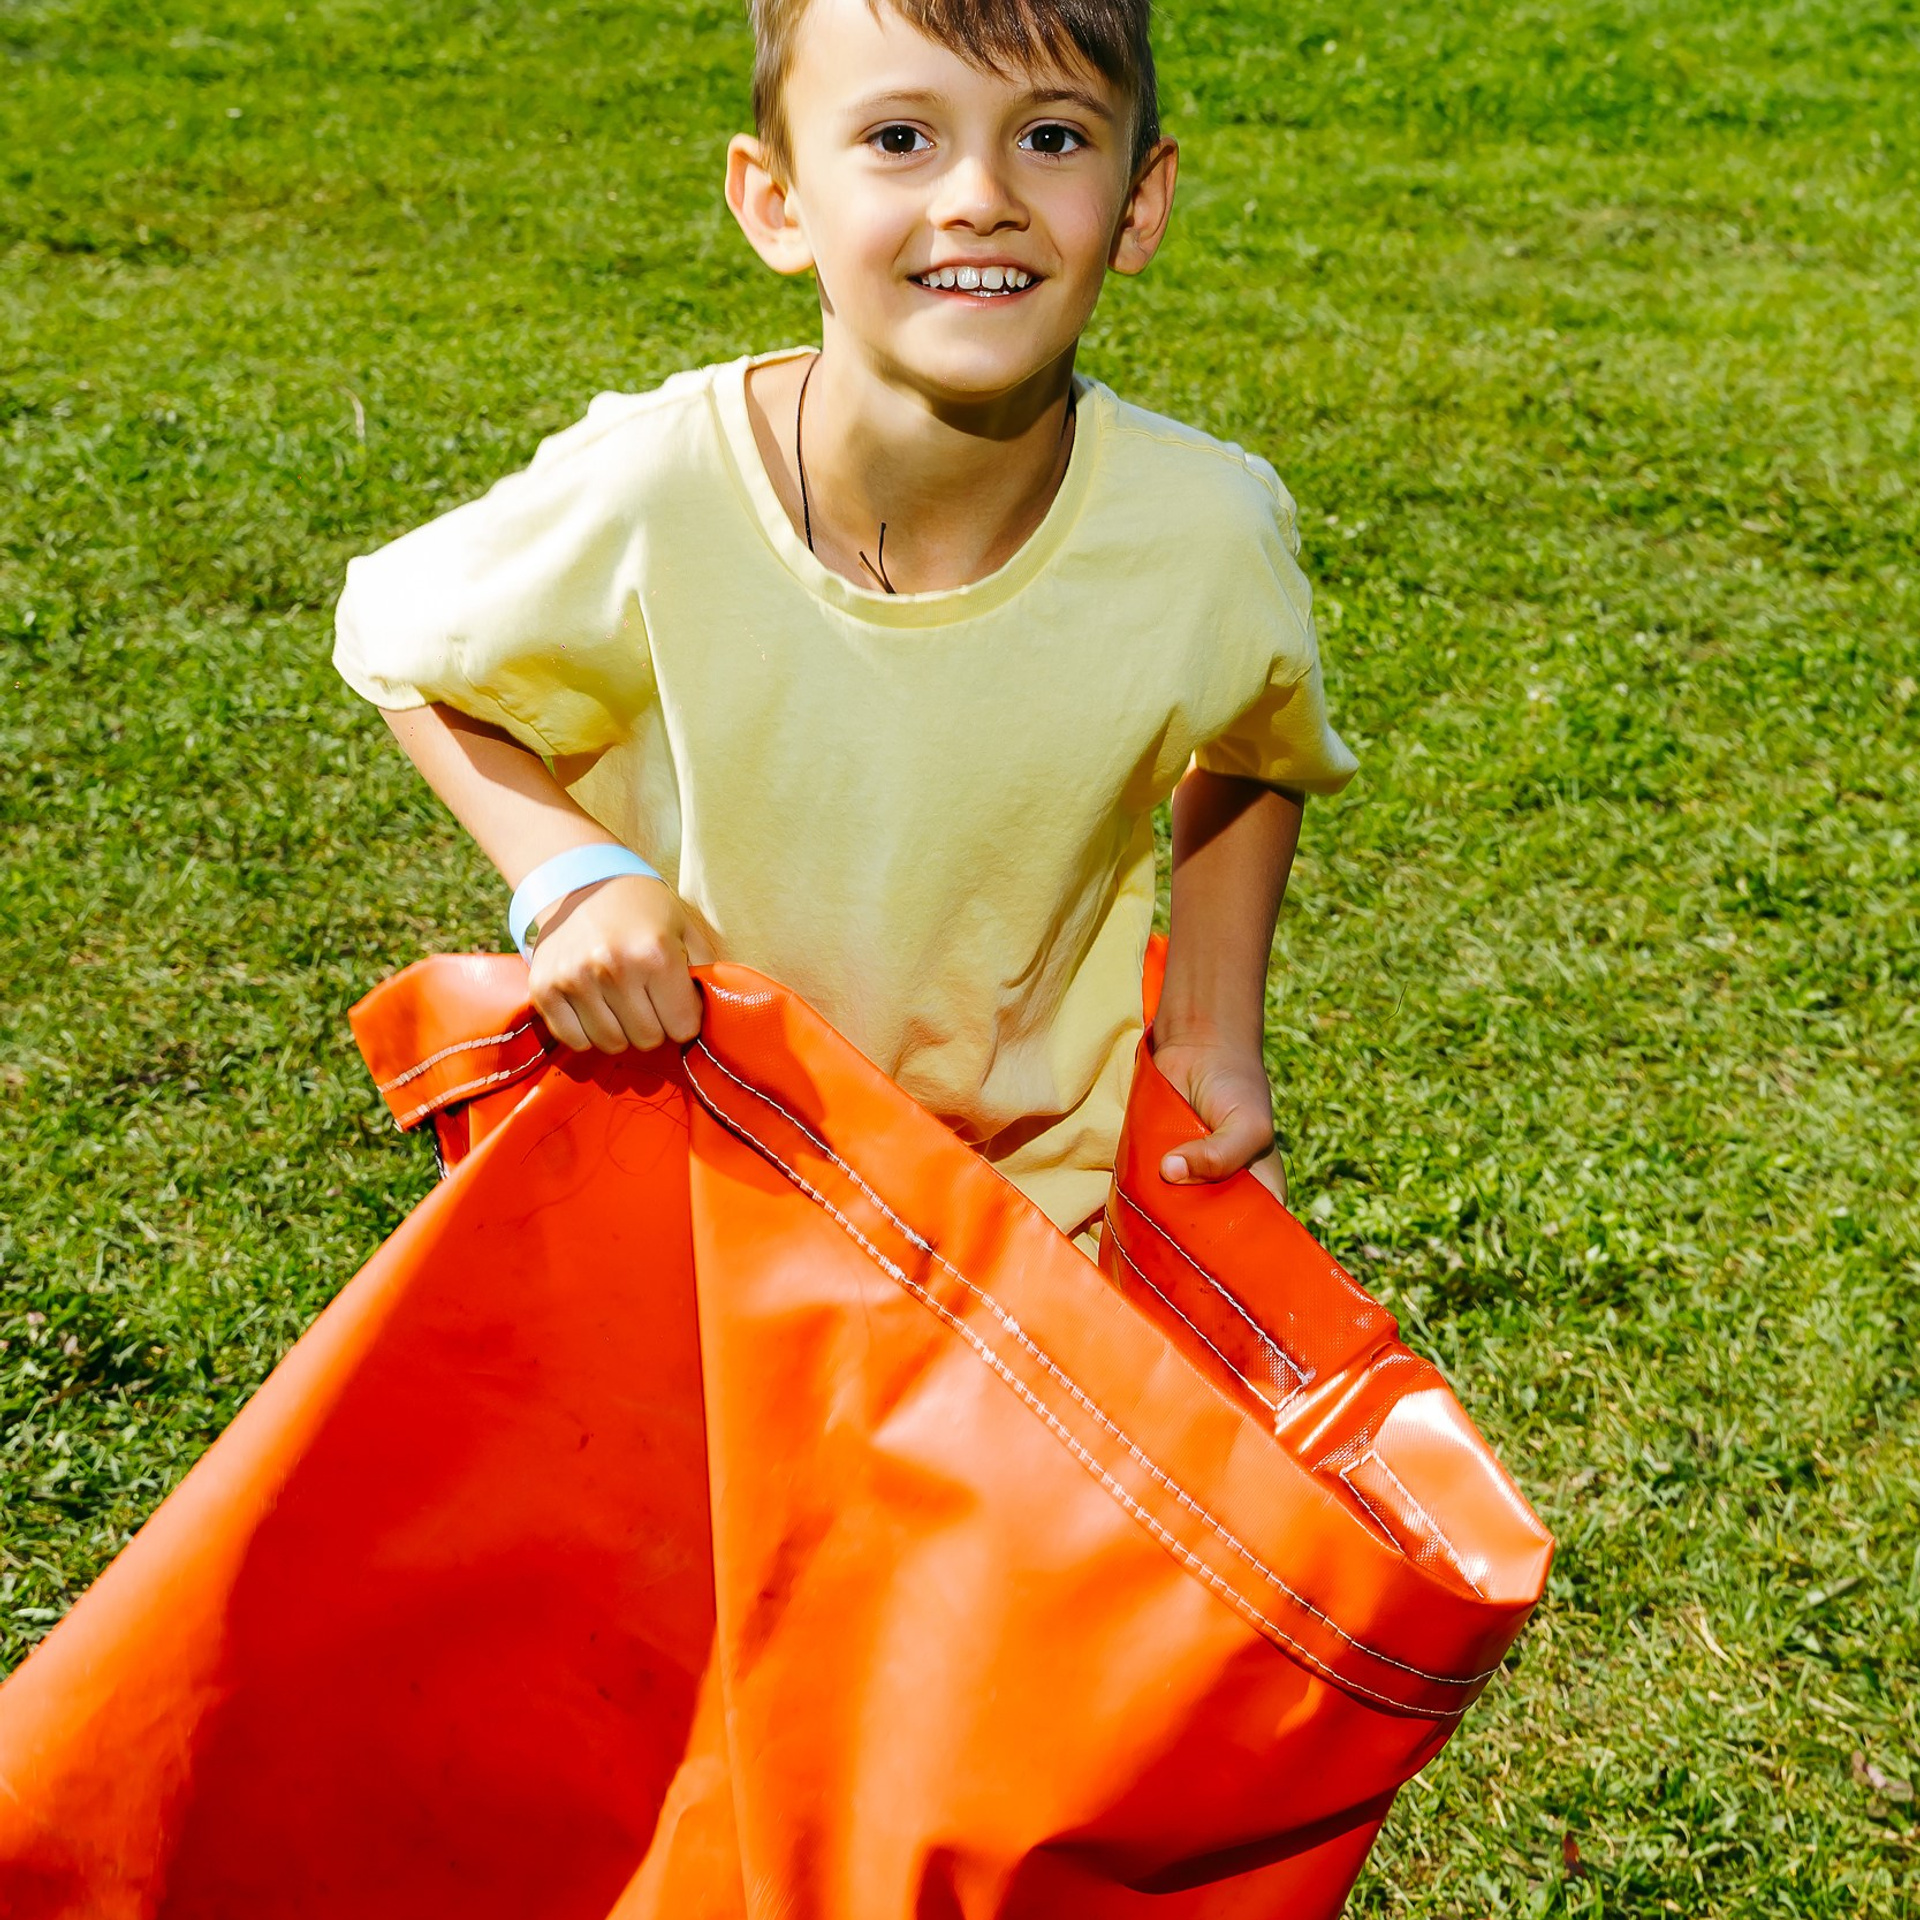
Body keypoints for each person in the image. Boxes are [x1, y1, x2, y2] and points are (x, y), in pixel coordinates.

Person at [333, 0, 1357, 1248]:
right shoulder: (654, 490)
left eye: (1050, 137)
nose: (979, 196)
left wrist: (1208, 1027)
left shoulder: (1203, 530)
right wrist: (576, 881)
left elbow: (1258, 749)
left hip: (1032, 1223)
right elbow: (396, 638)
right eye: (898, 139)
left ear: (1141, 202)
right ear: (775, 201)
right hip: (695, 1187)